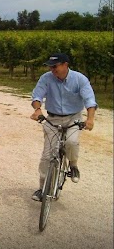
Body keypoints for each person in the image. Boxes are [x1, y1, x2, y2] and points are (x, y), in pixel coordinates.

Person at [30, 53, 96, 201]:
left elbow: (89, 100)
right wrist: (37, 109)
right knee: (47, 156)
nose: (52, 69)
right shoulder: (46, 78)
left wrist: (90, 119)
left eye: (55, 66)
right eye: (50, 66)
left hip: (73, 118)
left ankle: (73, 165)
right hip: (52, 118)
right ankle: (42, 188)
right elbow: (37, 95)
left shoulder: (79, 79)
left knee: (71, 142)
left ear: (65, 64)